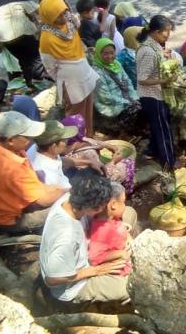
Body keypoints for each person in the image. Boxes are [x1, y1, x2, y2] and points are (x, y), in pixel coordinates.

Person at [40, 170, 131, 304]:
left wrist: (118, 226)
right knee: (131, 286)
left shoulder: (73, 196)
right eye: (103, 206)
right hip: (74, 285)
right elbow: (52, 279)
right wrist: (95, 270)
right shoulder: (66, 237)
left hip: (86, 251)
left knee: (129, 213)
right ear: (93, 208)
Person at [0, 111, 67, 233]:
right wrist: (67, 192)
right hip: (12, 220)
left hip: (14, 203)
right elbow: (44, 200)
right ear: (11, 140)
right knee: (69, 205)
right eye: (27, 136)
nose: (32, 139)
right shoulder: (12, 167)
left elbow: (37, 187)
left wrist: (57, 189)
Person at [39, 0, 98, 136]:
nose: (63, 17)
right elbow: (50, 67)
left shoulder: (70, 25)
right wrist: (67, 75)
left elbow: (76, 22)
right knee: (75, 115)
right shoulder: (46, 39)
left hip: (85, 76)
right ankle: (75, 144)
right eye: (57, 15)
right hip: (71, 83)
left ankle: (88, 139)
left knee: (88, 111)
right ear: (49, 17)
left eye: (64, 12)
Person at [0, 0, 47, 89]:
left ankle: (30, 84)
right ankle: (41, 83)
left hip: (5, 37)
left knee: (23, 60)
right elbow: (37, 10)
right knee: (36, 58)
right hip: (23, 32)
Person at [136, 15, 178, 169]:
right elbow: (142, 78)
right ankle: (169, 162)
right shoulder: (148, 51)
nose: (168, 34)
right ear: (155, 32)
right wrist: (164, 81)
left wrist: (165, 56)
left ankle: (151, 151)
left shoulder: (155, 46)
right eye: (165, 31)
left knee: (158, 126)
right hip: (152, 96)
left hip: (155, 94)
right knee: (163, 130)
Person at [88, 182, 137, 278]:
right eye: (123, 202)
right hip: (118, 268)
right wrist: (120, 253)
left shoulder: (110, 217)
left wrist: (127, 235)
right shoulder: (102, 231)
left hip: (123, 249)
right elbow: (94, 257)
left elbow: (118, 224)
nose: (124, 206)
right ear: (113, 205)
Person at [91, 38, 139, 125]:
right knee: (132, 113)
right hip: (109, 105)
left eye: (112, 53)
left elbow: (127, 81)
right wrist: (127, 101)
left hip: (124, 97)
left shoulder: (116, 64)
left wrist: (133, 97)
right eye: (105, 53)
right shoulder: (96, 71)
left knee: (145, 103)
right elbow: (105, 97)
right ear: (98, 53)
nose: (110, 56)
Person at [30, 120, 78, 189]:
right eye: (65, 140)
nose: (67, 142)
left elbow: (58, 160)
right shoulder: (46, 174)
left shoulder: (40, 146)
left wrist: (88, 161)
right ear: (53, 146)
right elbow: (56, 197)